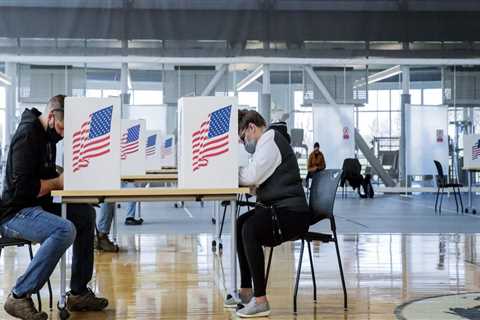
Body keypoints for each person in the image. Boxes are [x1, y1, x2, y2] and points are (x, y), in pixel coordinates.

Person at [0, 95, 108, 320]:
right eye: (60, 128)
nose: (61, 134)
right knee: (64, 229)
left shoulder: (48, 139)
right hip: (14, 213)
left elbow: (47, 176)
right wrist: (58, 182)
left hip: (37, 207)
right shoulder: (27, 137)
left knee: (85, 215)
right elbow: (25, 189)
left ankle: (78, 293)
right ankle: (19, 296)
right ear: (50, 116)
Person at [224, 110, 311, 318]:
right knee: (240, 224)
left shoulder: (270, 141)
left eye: (244, 138)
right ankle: (247, 291)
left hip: (292, 213)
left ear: (252, 127)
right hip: (280, 209)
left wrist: (228, 172)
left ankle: (261, 300)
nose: (245, 143)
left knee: (250, 229)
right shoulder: (268, 142)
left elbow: (251, 175)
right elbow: (256, 178)